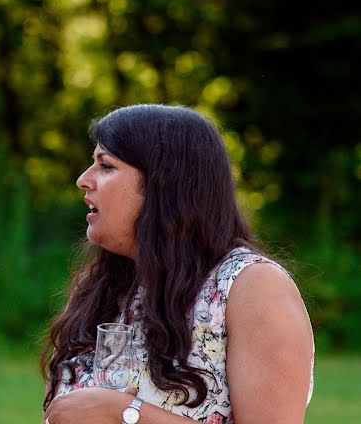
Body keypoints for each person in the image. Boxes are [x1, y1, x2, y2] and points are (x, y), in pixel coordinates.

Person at [41, 104, 314, 424]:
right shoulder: (103, 289)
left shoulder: (251, 287)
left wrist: (126, 414)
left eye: (105, 165)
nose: (83, 180)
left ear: (164, 183)